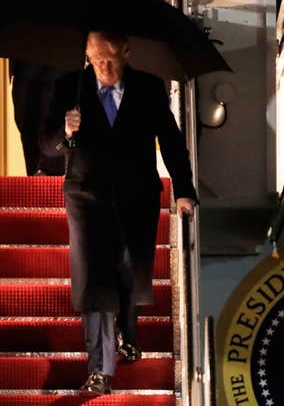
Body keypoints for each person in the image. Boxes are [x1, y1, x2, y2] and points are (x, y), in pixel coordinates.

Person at [41, 31, 197, 395]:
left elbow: (171, 141)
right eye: (96, 59)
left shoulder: (149, 87)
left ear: (126, 52)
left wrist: (184, 191)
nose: (103, 67)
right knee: (95, 280)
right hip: (86, 195)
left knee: (128, 270)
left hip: (136, 194)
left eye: (110, 58)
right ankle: (100, 369)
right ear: (86, 55)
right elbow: (45, 144)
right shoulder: (70, 86)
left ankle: (128, 330)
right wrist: (65, 131)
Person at [0, 0, 66, 175]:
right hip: (25, 60)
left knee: (54, 123)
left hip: (62, 57)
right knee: (27, 124)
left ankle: (53, 181)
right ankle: (35, 175)